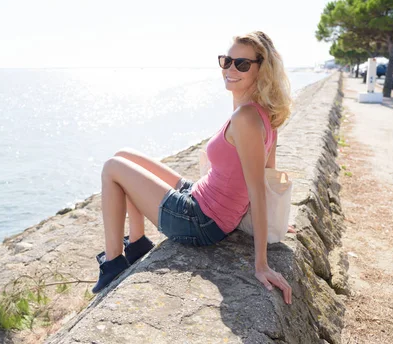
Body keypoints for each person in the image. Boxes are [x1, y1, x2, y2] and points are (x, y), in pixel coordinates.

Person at [93, 31, 293, 305]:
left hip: (200, 220)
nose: (230, 69)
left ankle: (113, 261)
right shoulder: (259, 112)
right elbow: (270, 176)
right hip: (199, 195)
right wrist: (275, 219)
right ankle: (138, 242)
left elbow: (258, 188)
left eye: (242, 64)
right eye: (226, 61)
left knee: (112, 168)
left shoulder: (246, 118)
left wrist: (261, 264)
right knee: (124, 155)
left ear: (262, 70)